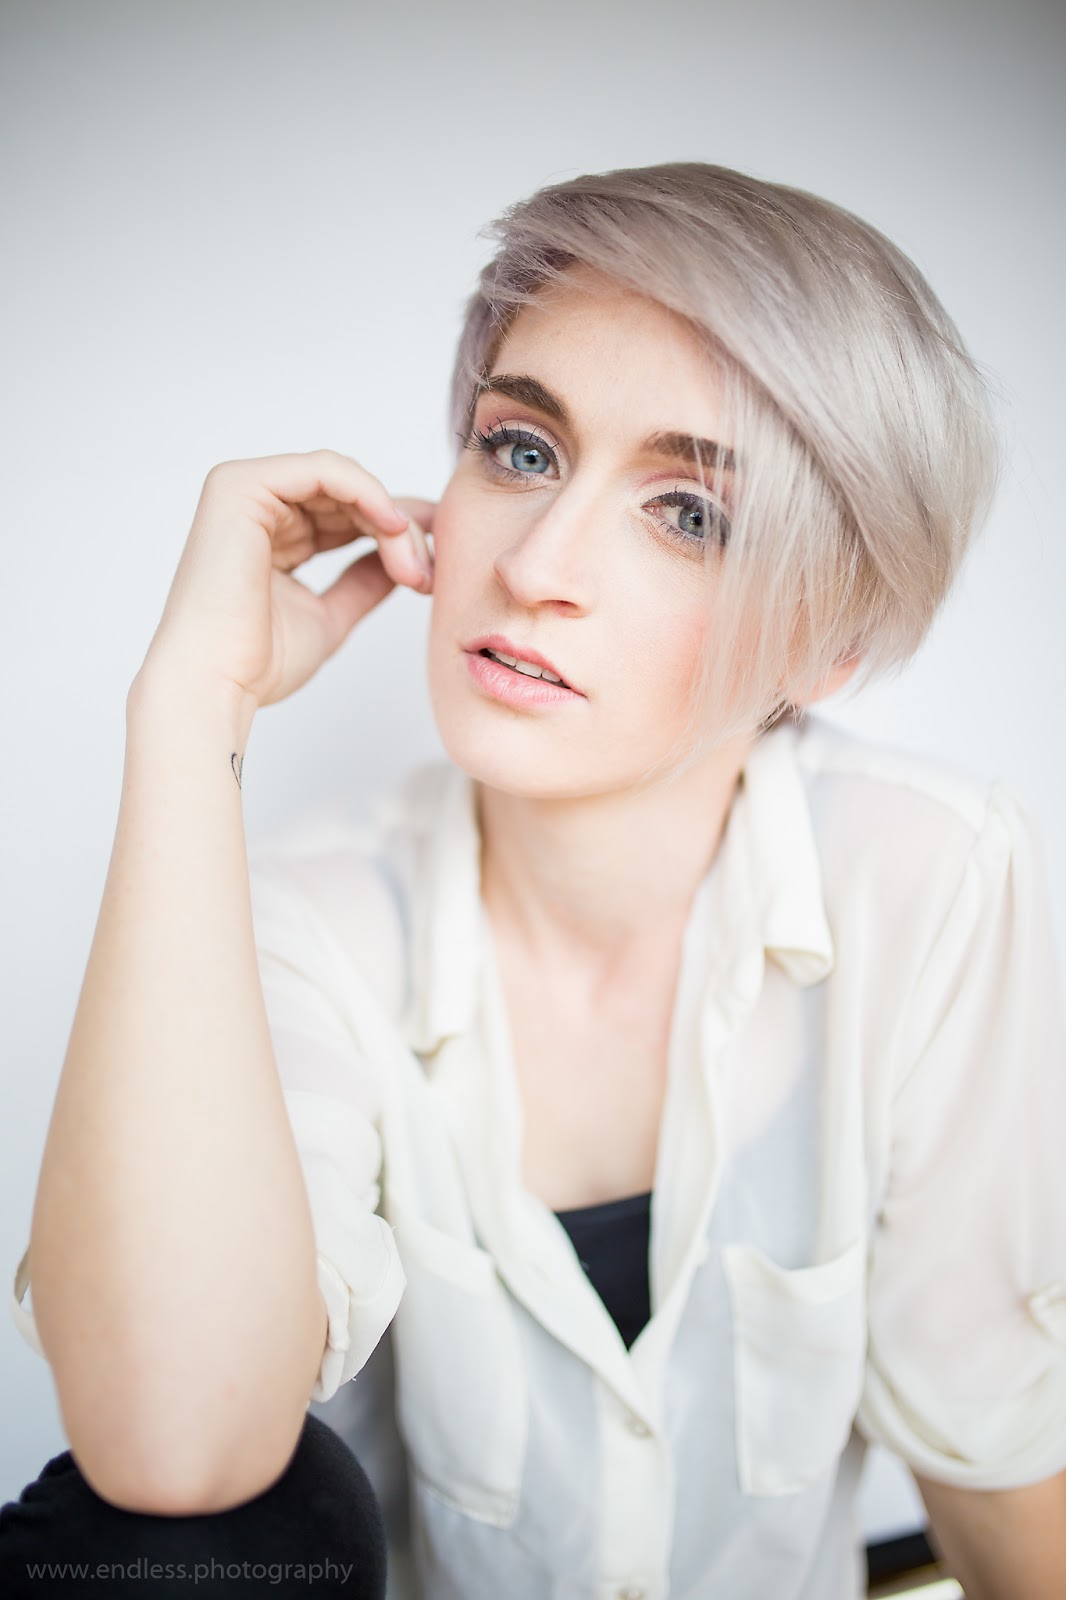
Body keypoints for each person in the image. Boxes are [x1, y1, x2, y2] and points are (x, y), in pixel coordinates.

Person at [3, 162, 1065, 1600]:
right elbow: (170, 1461)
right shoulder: (311, 916)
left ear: (829, 646)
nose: (537, 563)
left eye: (689, 513)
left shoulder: (929, 882)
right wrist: (190, 712)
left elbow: (991, 1442)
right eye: (519, 449)